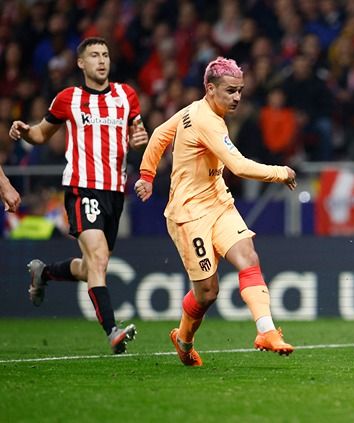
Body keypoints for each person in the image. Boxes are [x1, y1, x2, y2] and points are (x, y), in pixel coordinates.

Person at [134, 57, 297, 367]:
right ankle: (183, 340)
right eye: (230, 91)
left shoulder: (193, 111)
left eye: (240, 91)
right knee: (207, 292)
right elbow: (238, 166)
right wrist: (281, 172)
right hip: (188, 214)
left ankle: (266, 331)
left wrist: (146, 175)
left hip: (218, 203)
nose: (237, 97)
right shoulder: (205, 120)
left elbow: (159, 134)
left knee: (248, 257)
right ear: (210, 89)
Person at [8, 37, 146, 354]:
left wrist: (140, 137)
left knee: (90, 267)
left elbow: (138, 133)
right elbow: (43, 133)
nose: (102, 60)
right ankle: (112, 331)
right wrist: (25, 130)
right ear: (81, 63)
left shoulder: (127, 96)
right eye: (94, 55)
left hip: (115, 193)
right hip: (83, 187)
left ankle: (44, 272)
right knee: (97, 258)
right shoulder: (68, 99)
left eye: (106, 55)